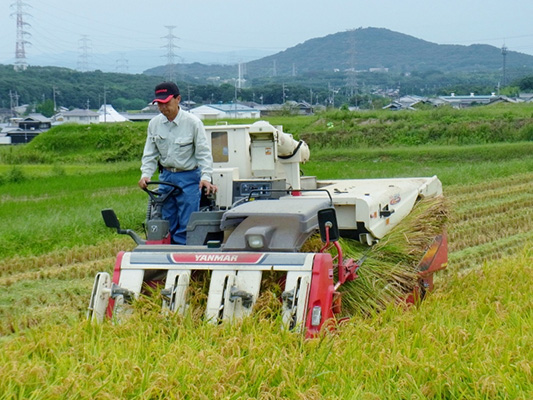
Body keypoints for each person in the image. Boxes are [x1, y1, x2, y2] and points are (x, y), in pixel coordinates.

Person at [138, 82, 217, 244]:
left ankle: (183, 255)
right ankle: (168, 250)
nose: (163, 107)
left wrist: (206, 177)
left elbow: (204, 153)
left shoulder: (193, 123)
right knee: (167, 220)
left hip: (189, 177)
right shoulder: (154, 124)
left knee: (186, 222)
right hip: (166, 176)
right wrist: (146, 175)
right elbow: (150, 153)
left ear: (178, 99)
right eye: (159, 104)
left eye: (166, 102)